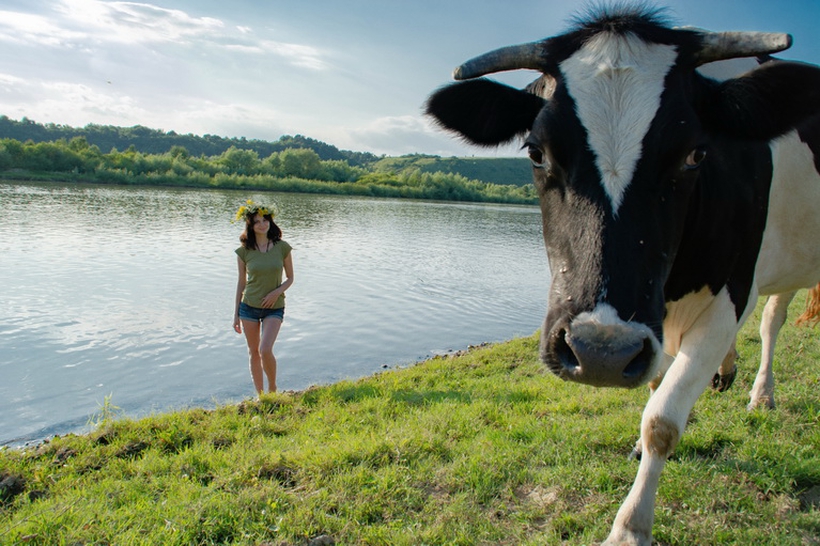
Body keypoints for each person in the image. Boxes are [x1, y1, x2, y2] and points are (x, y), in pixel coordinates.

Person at [233, 199, 293, 395]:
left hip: (274, 307)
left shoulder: (282, 247)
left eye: (265, 220)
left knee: (265, 349)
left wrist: (276, 292)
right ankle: (260, 396)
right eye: (257, 221)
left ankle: (273, 388)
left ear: (270, 222)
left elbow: (290, 278)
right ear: (251, 225)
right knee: (254, 352)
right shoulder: (243, 251)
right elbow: (241, 283)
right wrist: (235, 314)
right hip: (248, 306)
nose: (262, 224)